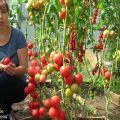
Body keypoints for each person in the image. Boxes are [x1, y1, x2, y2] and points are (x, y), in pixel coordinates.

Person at [0, 0, 28, 119]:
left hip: (16, 85)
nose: (0, 16)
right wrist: (1, 67)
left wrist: (14, 70)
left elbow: (24, 67)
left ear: (8, 14)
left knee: (4, 78)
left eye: (4, 12)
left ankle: (3, 114)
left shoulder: (18, 36)